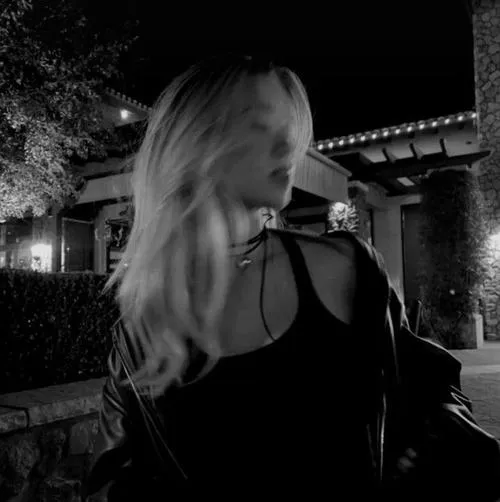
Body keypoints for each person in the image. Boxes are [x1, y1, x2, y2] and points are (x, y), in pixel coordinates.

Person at [85, 54, 500, 501]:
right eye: (261, 126)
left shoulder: (345, 267)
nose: (288, 146)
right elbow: (111, 483)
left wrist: (429, 456)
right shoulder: (141, 326)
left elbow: (436, 391)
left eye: (289, 129)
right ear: (196, 143)